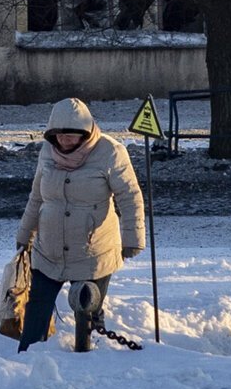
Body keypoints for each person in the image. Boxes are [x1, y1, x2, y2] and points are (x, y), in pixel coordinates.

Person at [14, 97, 147, 352]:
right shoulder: (47, 152)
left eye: (71, 134)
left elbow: (130, 197)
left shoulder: (110, 152)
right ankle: (27, 357)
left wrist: (133, 239)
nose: (64, 140)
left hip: (93, 252)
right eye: (59, 134)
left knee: (88, 311)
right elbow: (37, 197)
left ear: (85, 132)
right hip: (48, 251)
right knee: (37, 308)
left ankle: (90, 357)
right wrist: (25, 233)